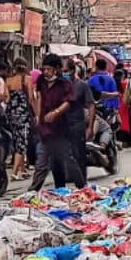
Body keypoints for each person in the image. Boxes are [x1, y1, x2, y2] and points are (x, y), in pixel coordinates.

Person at [36, 55, 88, 191]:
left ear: (57, 70)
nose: (46, 72)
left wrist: (56, 113)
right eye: (44, 69)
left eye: (49, 69)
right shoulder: (41, 81)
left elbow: (68, 103)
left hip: (60, 129)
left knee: (67, 159)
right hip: (45, 128)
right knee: (42, 162)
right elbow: (39, 98)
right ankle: (33, 191)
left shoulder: (65, 85)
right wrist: (37, 116)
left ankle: (82, 187)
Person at [3, 68, 36, 185]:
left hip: (11, 114)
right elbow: (31, 98)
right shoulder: (27, 79)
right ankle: (15, 172)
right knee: (22, 142)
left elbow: (6, 99)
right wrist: (36, 113)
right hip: (23, 113)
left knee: (17, 139)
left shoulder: (8, 80)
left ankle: (22, 169)